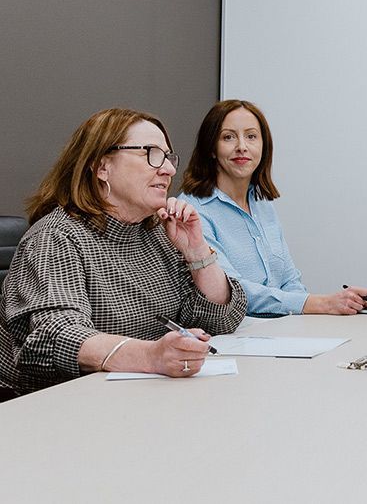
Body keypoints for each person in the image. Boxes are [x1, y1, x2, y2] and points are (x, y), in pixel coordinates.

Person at [0, 108, 247, 395]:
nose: (168, 169)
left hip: (140, 397)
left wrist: (196, 251)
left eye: (168, 157)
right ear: (102, 166)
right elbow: (57, 336)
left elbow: (222, 318)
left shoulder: (156, 231)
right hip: (53, 407)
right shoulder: (57, 238)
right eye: (151, 154)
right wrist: (151, 356)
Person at [177, 100, 367, 317]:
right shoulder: (193, 210)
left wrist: (308, 315)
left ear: (263, 146)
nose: (242, 146)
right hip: (237, 337)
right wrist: (318, 304)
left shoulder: (262, 204)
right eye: (228, 137)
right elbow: (232, 291)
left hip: (282, 329)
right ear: (211, 148)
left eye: (251, 136)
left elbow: (289, 278)